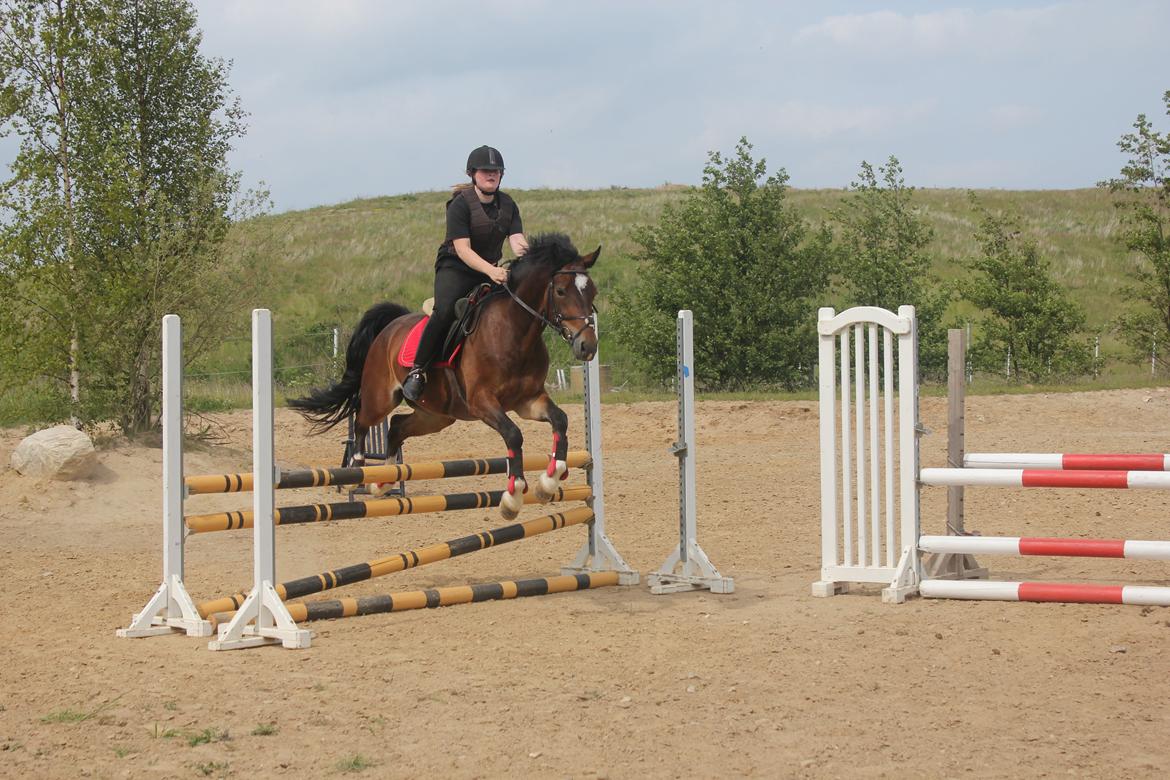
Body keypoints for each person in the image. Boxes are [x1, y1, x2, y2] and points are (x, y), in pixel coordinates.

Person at [401, 145, 528, 403]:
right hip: (456, 267)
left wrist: (532, 261)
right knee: (445, 310)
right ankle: (417, 371)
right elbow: (463, 249)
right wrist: (492, 271)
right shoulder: (460, 205)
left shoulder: (509, 205)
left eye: (496, 171)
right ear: (473, 174)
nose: (491, 174)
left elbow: (517, 241)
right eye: (485, 171)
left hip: (490, 269)